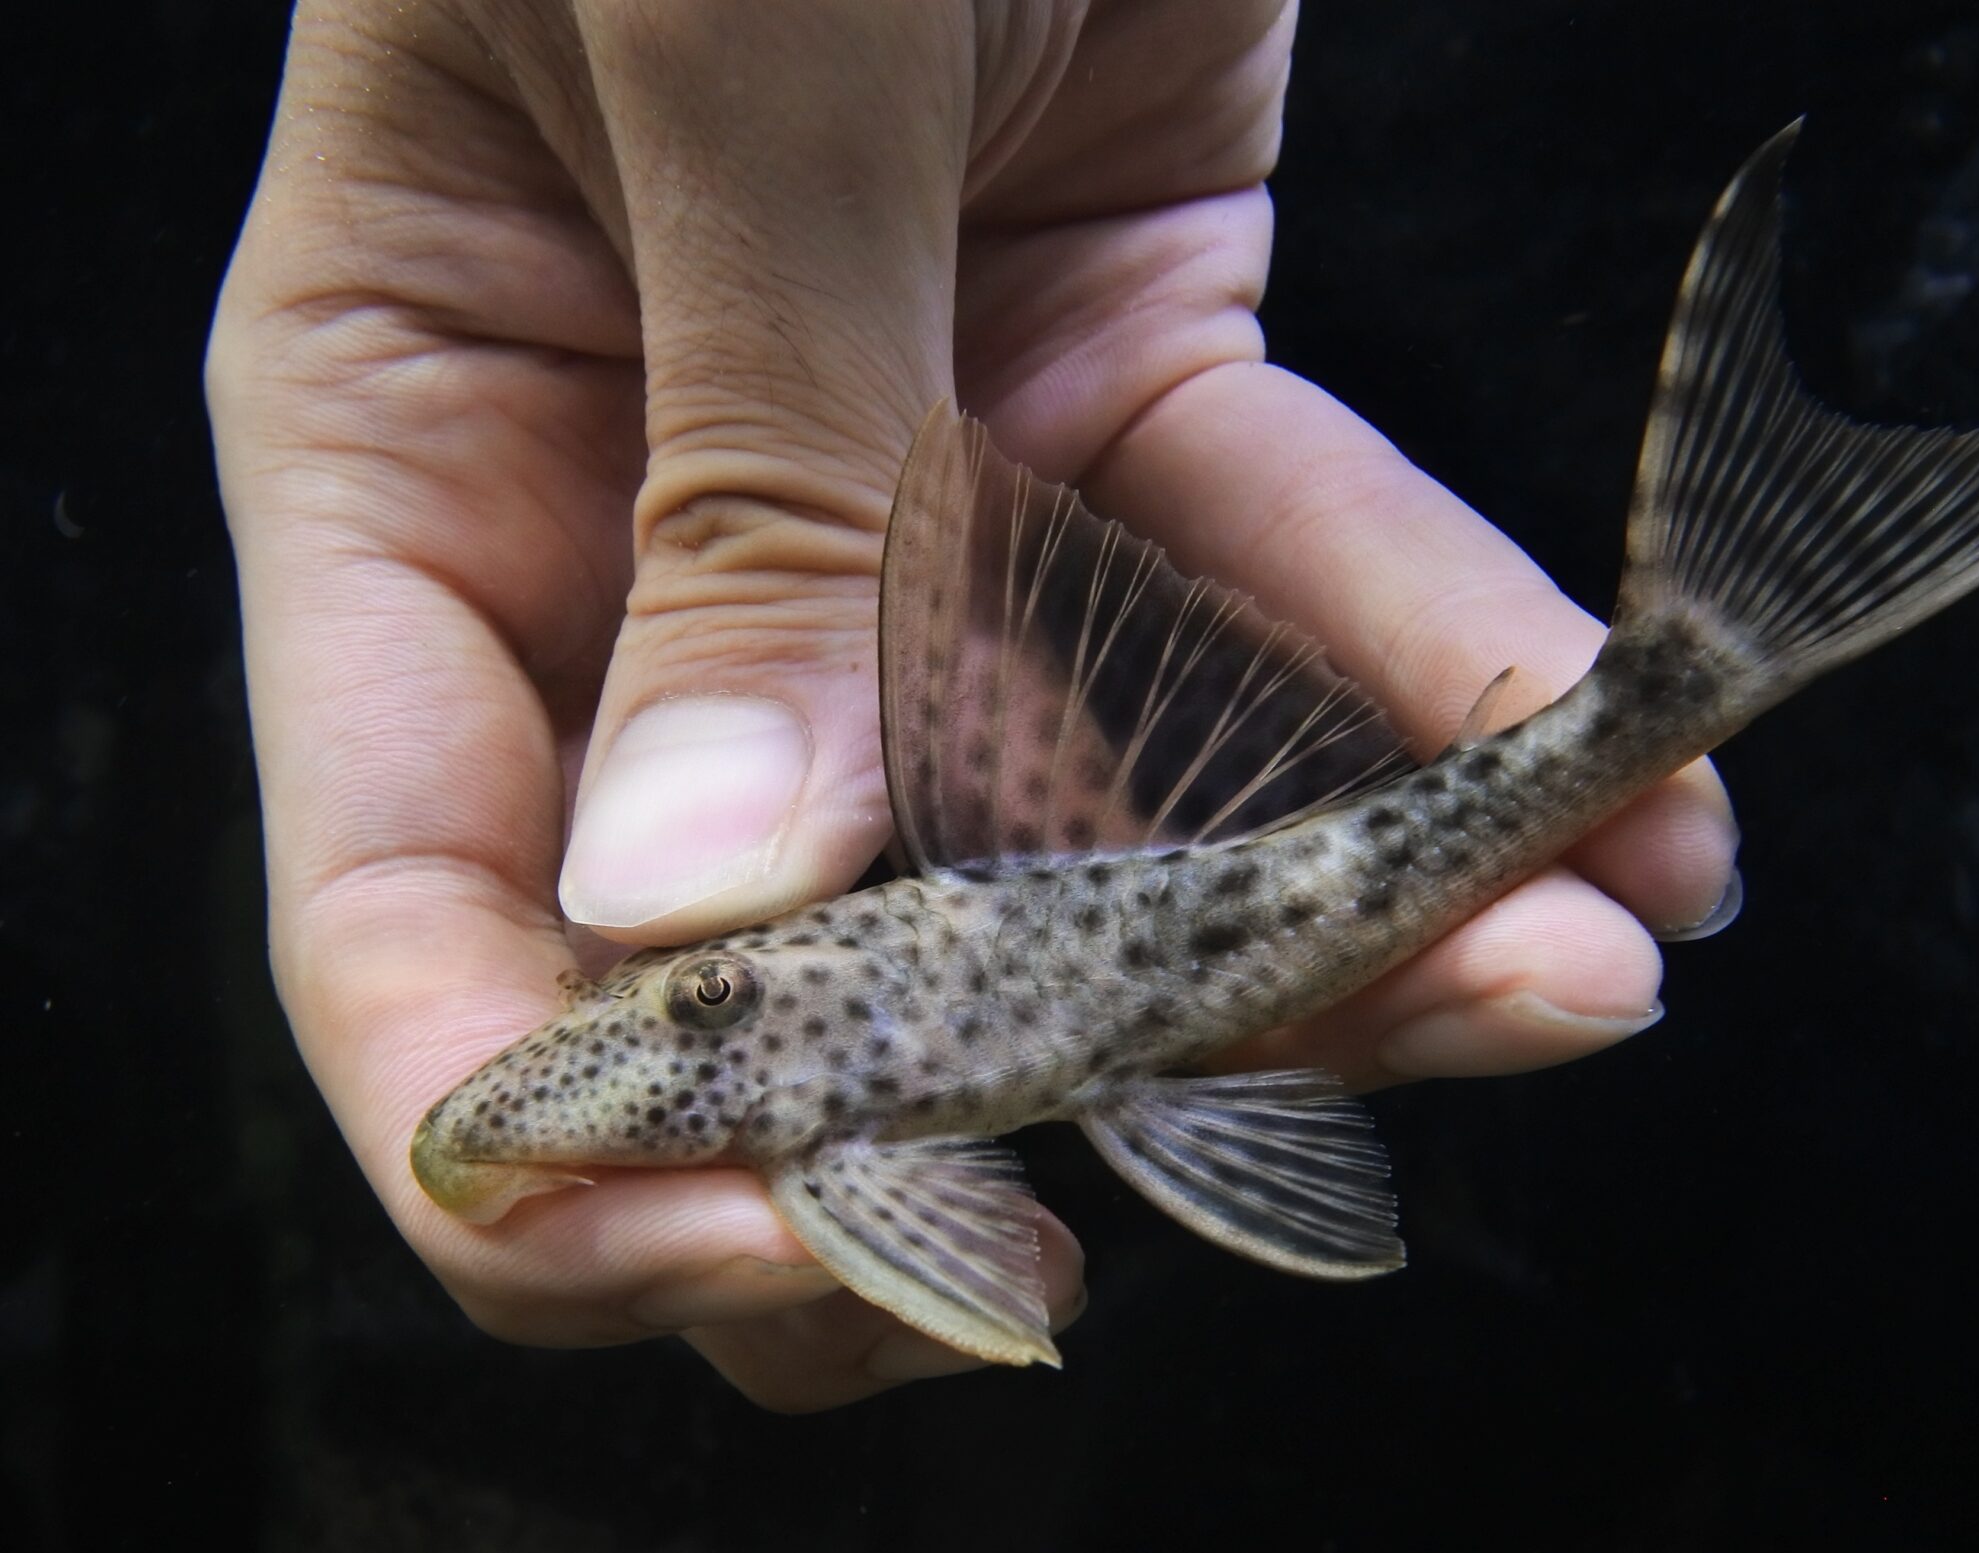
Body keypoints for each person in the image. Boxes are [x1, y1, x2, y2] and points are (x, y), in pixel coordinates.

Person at [206, 0, 1737, 1412]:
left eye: (708, 1000)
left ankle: (1689, 665)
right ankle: (1682, 671)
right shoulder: (818, 1144)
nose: (679, 1016)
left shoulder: (831, 1121)